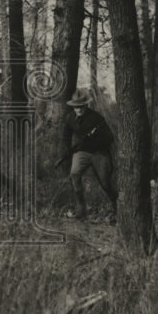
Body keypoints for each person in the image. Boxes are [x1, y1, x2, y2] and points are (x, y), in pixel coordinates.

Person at [60, 88, 117, 220]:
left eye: (81, 106)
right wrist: (66, 151)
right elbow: (65, 136)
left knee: (105, 183)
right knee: (74, 174)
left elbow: (109, 138)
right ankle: (81, 210)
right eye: (76, 107)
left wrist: (93, 142)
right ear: (73, 107)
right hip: (81, 152)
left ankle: (118, 210)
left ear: (86, 105)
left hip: (99, 153)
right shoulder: (70, 118)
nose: (78, 109)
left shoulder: (96, 118)